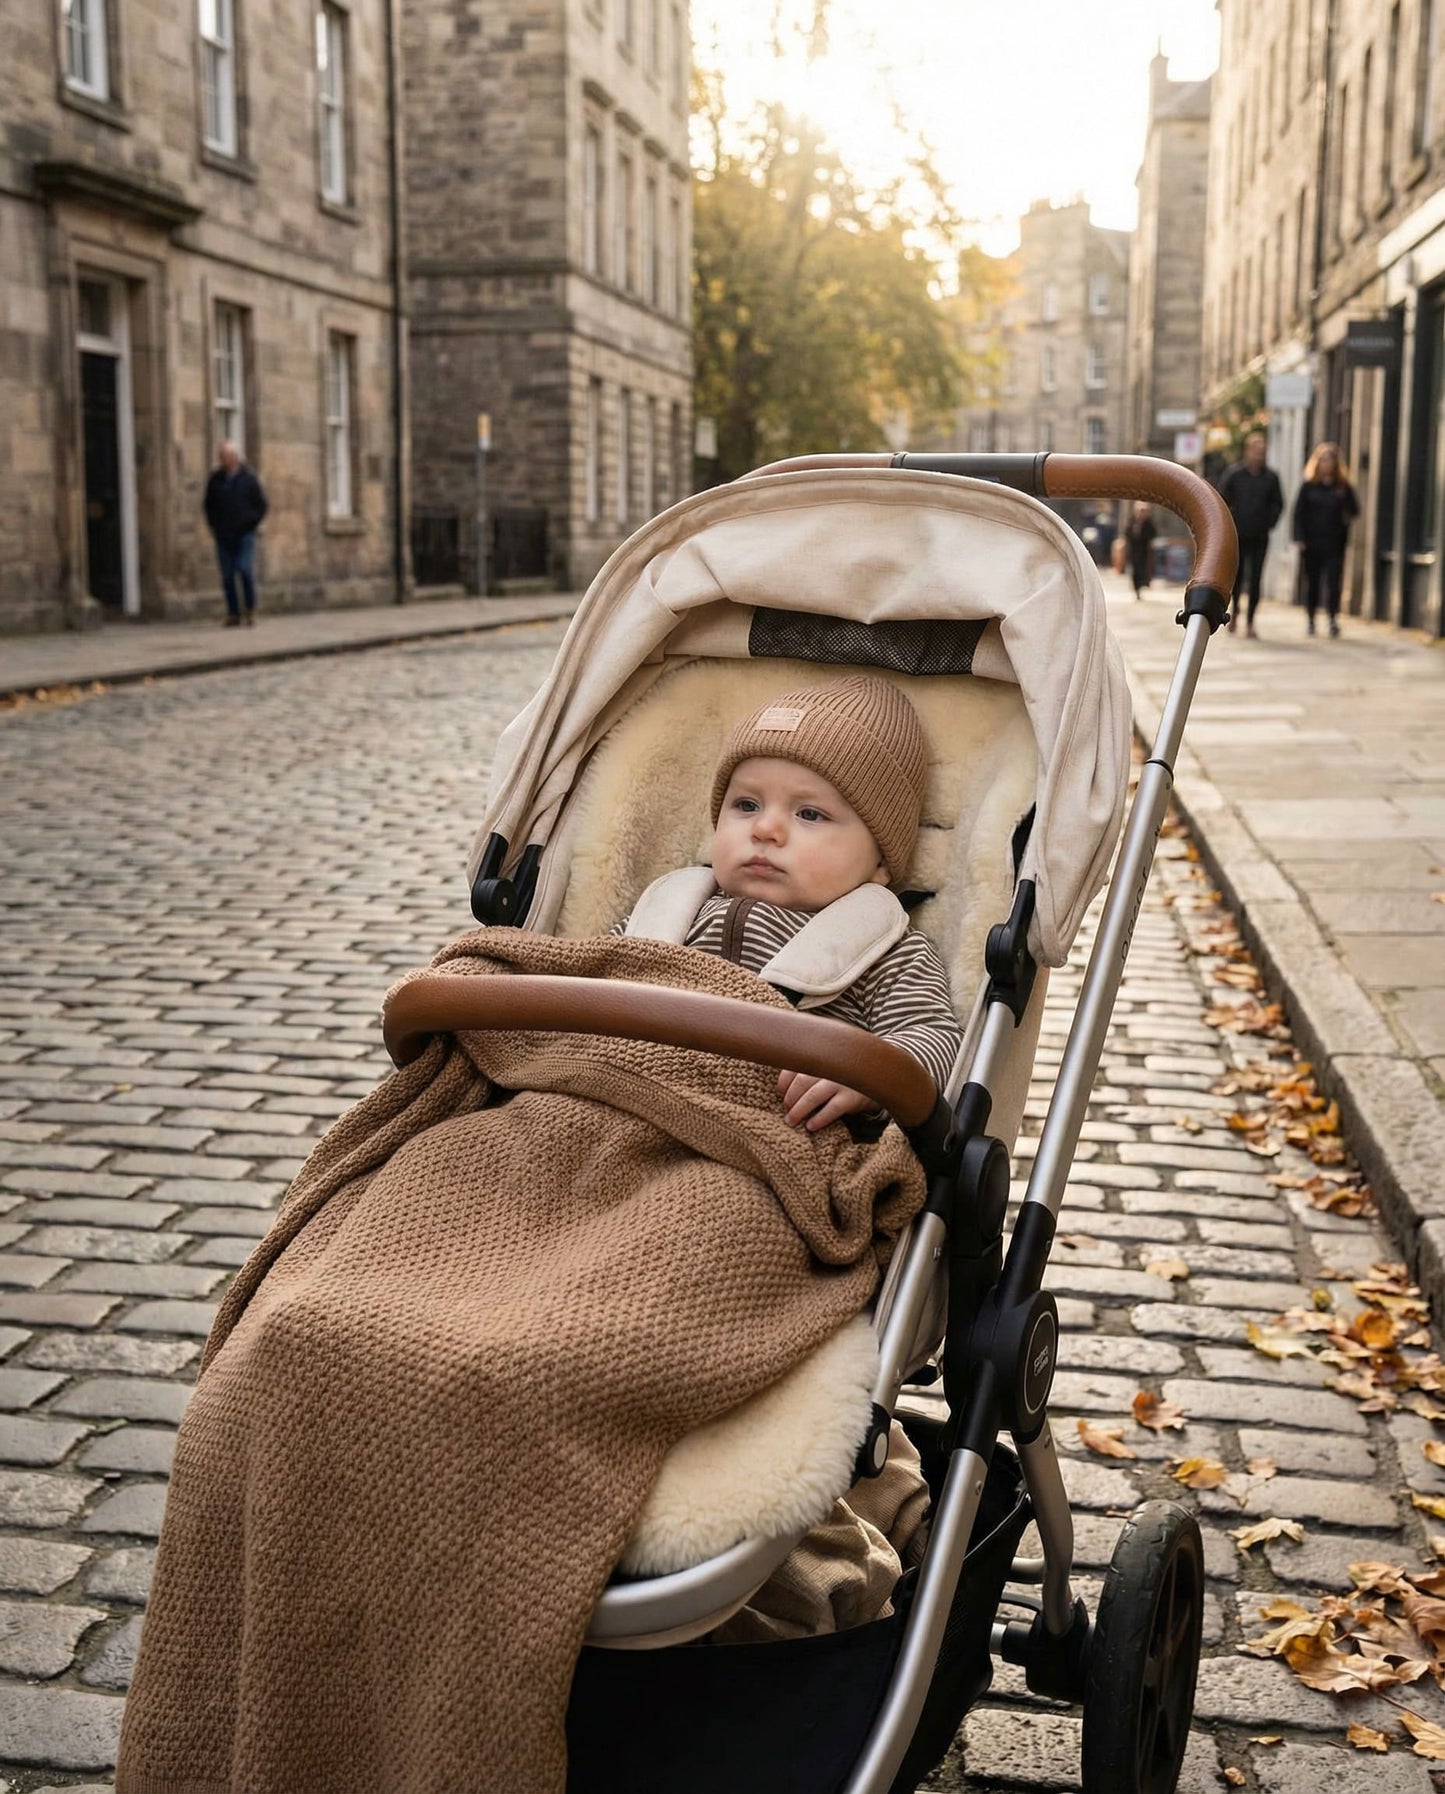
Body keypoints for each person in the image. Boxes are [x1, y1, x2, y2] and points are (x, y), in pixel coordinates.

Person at [618, 674, 963, 1127]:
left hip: (762, 1128)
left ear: (880, 860)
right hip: (623, 1094)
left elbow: (937, 1039)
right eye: (745, 805)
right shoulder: (667, 911)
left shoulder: (886, 951)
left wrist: (867, 1073)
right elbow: (582, 975)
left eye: (809, 814)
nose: (765, 829)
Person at [1219, 431, 1284, 638]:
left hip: (1260, 534)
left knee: (1256, 577)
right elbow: (1221, 500)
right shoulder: (1234, 475)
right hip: (1238, 534)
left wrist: (1269, 522)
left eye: (1263, 452)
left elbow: (1278, 504)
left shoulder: (1271, 478)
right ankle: (1235, 612)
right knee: (1236, 577)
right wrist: (1230, 522)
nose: (1260, 456)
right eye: (1257, 451)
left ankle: (1250, 620)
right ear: (1248, 452)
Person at [1292, 441, 1360, 638]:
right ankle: (1311, 619)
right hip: (1311, 542)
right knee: (1312, 582)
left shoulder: (1343, 486)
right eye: (1323, 460)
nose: (1326, 464)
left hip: (1334, 543)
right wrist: (1299, 538)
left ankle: (1332, 619)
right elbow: (1298, 514)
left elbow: (1354, 510)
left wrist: (1344, 507)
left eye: (1330, 460)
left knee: (1333, 582)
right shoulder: (1308, 486)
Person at [203, 440, 268, 627]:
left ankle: (250, 609)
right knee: (227, 575)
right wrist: (214, 525)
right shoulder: (216, 480)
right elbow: (208, 505)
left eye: (227, 456)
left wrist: (251, 523)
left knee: (244, 569)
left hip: (244, 533)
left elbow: (261, 505)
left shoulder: (248, 478)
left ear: (235, 457)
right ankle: (233, 613)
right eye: (221, 456)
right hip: (223, 534)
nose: (224, 459)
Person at [1124, 500, 1157, 599]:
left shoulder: (1148, 524)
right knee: (1134, 571)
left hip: (1144, 551)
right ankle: (1136, 589)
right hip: (1133, 551)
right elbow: (1127, 533)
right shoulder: (1132, 522)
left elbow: (1152, 534)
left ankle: (1143, 586)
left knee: (1143, 570)